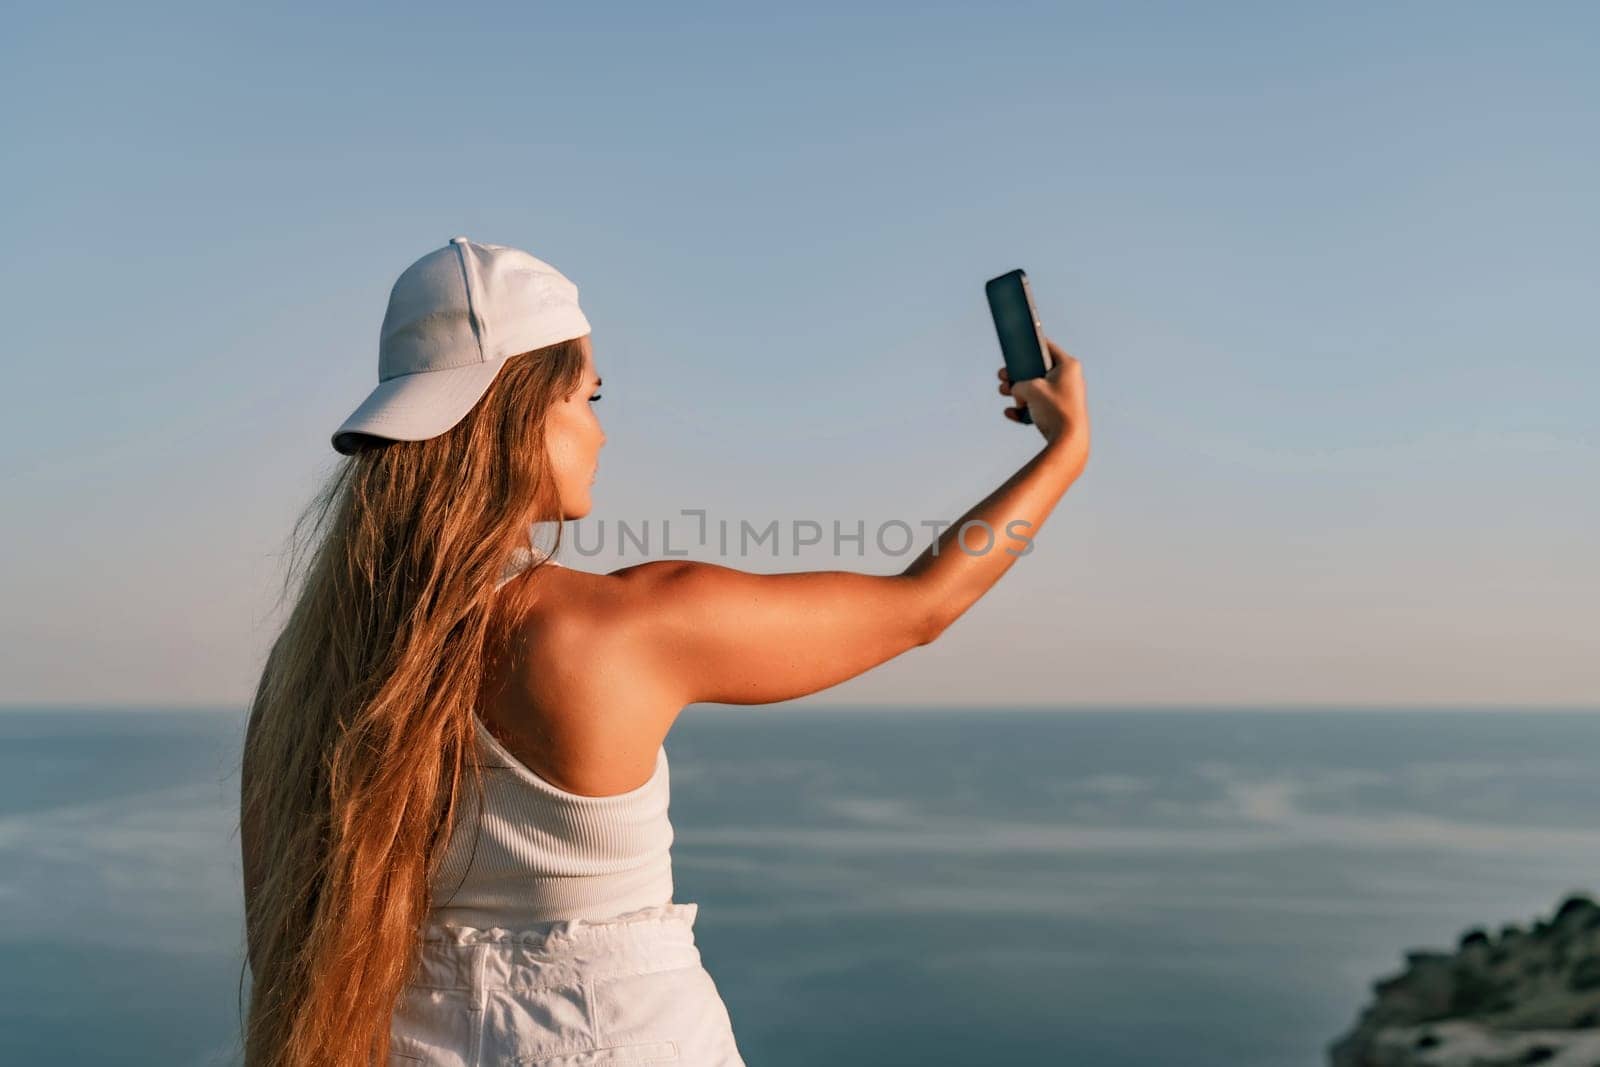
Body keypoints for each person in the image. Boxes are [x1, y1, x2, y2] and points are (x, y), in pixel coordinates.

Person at [237, 237, 1090, 1067]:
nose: (601, 434)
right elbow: (921, 605)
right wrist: (1065, 450)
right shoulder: (613, 630)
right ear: (515, 413)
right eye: (589, 398)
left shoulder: (304, 674)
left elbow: (280, 953)